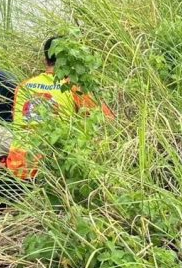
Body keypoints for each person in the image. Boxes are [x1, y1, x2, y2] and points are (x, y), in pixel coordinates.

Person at [8, 36, 112, 178]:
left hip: (18, 166)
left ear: (45, 60)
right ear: (71, 61)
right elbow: (108, 121)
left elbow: (16, 119)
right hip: (52, 167)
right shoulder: (73, 87)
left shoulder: (22, 86)